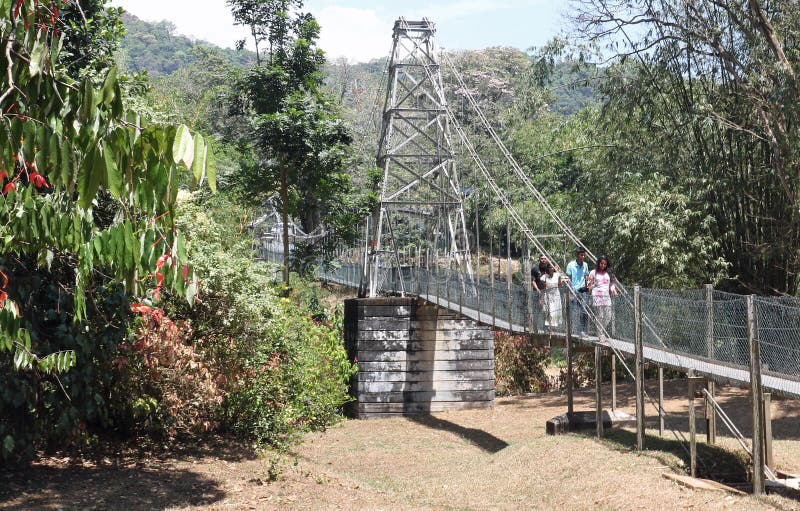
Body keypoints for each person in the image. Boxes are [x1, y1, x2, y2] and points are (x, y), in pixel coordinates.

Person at [587, 255, 618, 342]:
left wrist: (614, 291)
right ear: (598, 263)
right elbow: (589, 284)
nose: (603, 265)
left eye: (605, 264)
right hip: (596, 295)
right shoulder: (593, 272)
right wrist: (589, 286)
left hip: (606, 296)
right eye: (601, 263)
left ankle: (601, 331)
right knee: (600, 316)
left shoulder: (608, 272)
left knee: (608, 316)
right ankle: (601, 334)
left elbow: (611, 284)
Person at [566, 246, 589, 337]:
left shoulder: (585, 265)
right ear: (577, 255)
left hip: (583, 291)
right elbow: (568, 279)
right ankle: (572, 330)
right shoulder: (570, 265)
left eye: (584, 255)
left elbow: (586, 277)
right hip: (574, 291)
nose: (583, 257)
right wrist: (570, 293)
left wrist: (588, 288)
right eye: (581, 255)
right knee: (574, 311)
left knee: (584, 310)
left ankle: (582, 331)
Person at [539, 263, 563, 332]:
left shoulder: (557, 275)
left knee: (555, 311)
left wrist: (560, 278)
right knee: (548, 311)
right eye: (549, 267)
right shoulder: (544, 277)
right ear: (548, 268)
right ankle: (547, 327)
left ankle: (553, 328)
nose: (551, 268)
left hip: (556, 296)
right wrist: (541, 298)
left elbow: (560, 285)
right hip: (548, 296)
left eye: (552, 267)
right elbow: (543, 288)